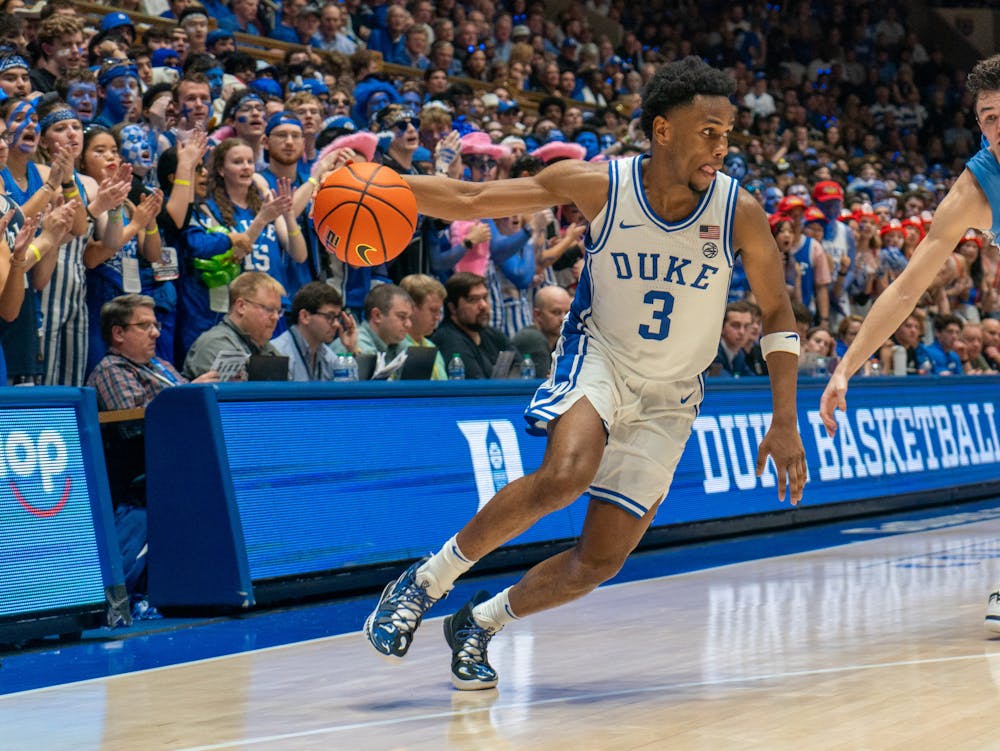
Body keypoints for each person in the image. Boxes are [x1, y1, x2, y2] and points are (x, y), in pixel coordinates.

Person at [364, 57, 806, 691]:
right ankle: (425, 582)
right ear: (662, 131)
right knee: (565, 475)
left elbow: (777, 310)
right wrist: (382, 181)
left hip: (673, 396)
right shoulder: (601, 185)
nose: (721, 145)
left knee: (599, 560)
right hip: (600, 357)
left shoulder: (739, 210)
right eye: (709, 131)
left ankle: (479, 622)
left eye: (727, 133)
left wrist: (784, 418)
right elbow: (472, 199)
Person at [816, 54, 1000, 632]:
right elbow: (905, 289)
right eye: (988, 118)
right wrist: (845, 366)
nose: (997, 129)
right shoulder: (974, 188)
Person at [182, 271, 286, 379]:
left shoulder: (268, 349)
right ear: (241, 306)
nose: (276, 317)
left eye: (278, 311)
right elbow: (237, 395)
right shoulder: (216, 343)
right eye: (269, 309)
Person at [430, 271, 514, 380]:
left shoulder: (492, 334)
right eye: (473, 300)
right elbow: (479, 389)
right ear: (453, 308)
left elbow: (520, 370)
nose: (483, 306)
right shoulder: (449, 340)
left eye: (485, 297)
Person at [271, 281, 358, 381]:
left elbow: (348, 393)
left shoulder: (327, 355)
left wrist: (351, 349)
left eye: (337, 317)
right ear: (305, 316)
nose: (336, 324)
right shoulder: (278, 354)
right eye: (329, 316)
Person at [510, 284, 572, 379]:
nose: (563, 319)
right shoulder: (532, 338)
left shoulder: (560, 341)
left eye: (567, 313)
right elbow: (544, 384)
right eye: (556, 312)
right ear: (537, 314)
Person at [399, 273, 448, 380]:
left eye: (439, 311)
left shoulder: (431, 347)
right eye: (433, 310)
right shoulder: (396, 348)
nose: (438, 318)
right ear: (411, 308)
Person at [355, 283, 414, 368]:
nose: (408, 324)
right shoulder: (356, 344)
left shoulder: (400, 343)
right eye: (402, 316)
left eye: (410, 318)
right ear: (377, 316)